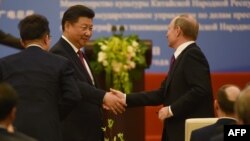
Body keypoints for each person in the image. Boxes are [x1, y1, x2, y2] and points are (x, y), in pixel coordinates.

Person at [111, 14, 214, 141]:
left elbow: (200, 90)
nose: (166, 34)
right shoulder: (182, 57)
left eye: (168, 29)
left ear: (178, 31)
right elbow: (161, 93)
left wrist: (171, 110)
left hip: (189, 133)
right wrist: (126, 98)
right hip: (176, 132)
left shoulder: (192, 55)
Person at [0, 14, 82, 141]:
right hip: (48, 131)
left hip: (14, 131)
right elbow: (73, 96)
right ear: (46, 38)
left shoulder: (4, 63)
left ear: (22, 42)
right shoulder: (61, 63)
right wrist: (54, 115)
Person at [50, 5, 126, 141]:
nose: (88, 33)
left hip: (89, 131)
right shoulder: (58, 52)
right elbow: (75, 84)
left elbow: (88, 86)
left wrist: (100, 99)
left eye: (90, 28)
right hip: (74, 132)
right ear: (67, 26)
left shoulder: (79, 52)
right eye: (84, 28)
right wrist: (103, 96)